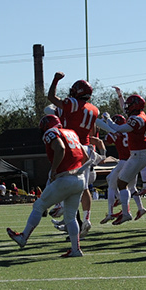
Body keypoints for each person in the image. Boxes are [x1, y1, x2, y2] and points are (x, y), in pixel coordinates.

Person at [7, 114, 90, 257]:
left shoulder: (51, 132)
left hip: (65, 178)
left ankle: (23, 237)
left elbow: (60, 148)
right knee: (70, 217)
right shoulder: (71, 132)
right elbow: (86, 158)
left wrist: (54, 170)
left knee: (39, 206)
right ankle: (76, 249)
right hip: (80, 179)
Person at [48, 72, 100, 237]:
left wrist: (56, 79)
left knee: (58, 177)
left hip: (74, 146)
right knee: (83, 187)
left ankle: (60, 207)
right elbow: (91, 131)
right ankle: (85, 219)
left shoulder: (73, 103)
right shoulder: (94, 109)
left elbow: (51, 97)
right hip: (87, 147)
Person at [99, 95, 146, 225]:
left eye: (129, 105)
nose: (126, 108)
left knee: (121, 184)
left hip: (138, 155)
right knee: (124, 184)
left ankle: (126, 213)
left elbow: (118, 128)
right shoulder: (141, 115)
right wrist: (119, 95)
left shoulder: (136, 119)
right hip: (138, 154)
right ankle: (132, 209)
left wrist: (108, 119)